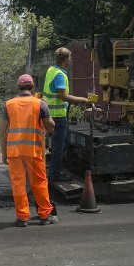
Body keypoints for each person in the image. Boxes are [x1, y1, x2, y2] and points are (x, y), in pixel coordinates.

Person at [1, 74, 57, 227]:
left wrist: (3, 153)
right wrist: (48, 115)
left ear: (18, 87)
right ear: (32, 87)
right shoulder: (40, 104)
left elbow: (2, 131)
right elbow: (50, 126)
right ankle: (45, 215)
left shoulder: (9, 104)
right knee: (39, 182)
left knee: (18, 184)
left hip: (14, 151)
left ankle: (22, 217)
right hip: (33, 151)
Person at [44, 48, 91, 183]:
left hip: (49, 113)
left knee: (56, 144)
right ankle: (55, 175)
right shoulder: (59, 75)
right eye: (69, 58)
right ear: (65, 59)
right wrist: (84, 100)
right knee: (59, 145)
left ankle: (54, 171)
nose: (70, 61)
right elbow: (63, 96)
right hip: (58, 115)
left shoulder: (51, 70)